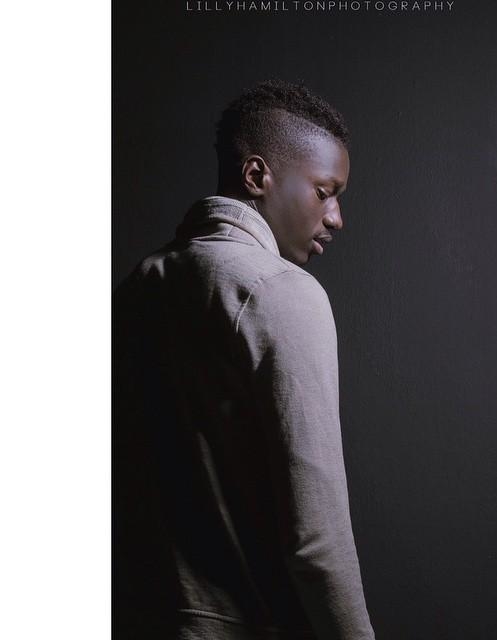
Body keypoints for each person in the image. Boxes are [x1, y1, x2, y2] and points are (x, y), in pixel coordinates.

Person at [113, 80, 376, 640]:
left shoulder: (139, 285)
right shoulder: (283, 291)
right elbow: (317, 540)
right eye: (325, 191)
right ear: (257, 176)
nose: (336, 217)